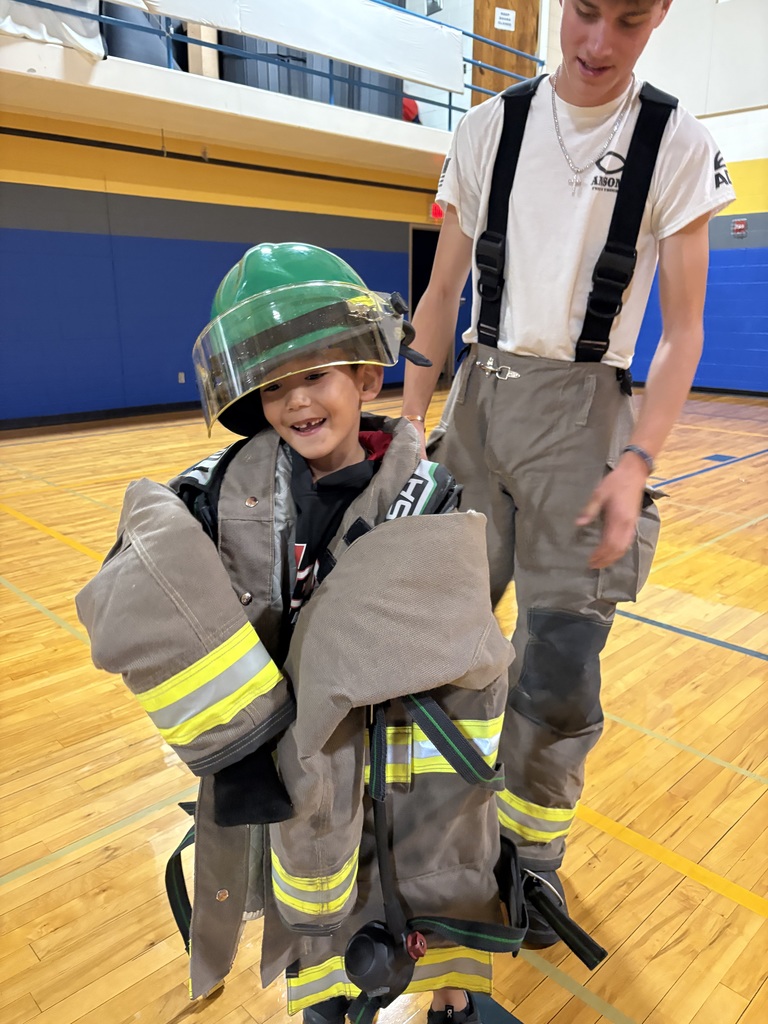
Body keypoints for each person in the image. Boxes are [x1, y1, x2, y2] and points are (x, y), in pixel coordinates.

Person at [76, 243, 524, 1024]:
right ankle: (325, 1003)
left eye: (315, 376)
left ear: (365, 376)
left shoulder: (436, 491)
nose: (297, 403)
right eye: (275, 386)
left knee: (440, 878)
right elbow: (143, 587)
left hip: (417, 772)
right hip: (294, 777)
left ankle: (450, 996)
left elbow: (463, 640)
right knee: (315, 902)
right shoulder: (214, 495)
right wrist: (238, 742)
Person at [401, 0, 736, 948]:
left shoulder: (678, 143)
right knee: (442, 650)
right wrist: (409, 422)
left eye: (628, 22)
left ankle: (529, 866)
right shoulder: (485, 129)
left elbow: (684, 332)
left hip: (587, 419)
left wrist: (638, 459)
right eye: (584, 13)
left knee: (556, 672)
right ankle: (432, 848)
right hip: (476, 403)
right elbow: (441, 291)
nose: (598, 44)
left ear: (660, 16)